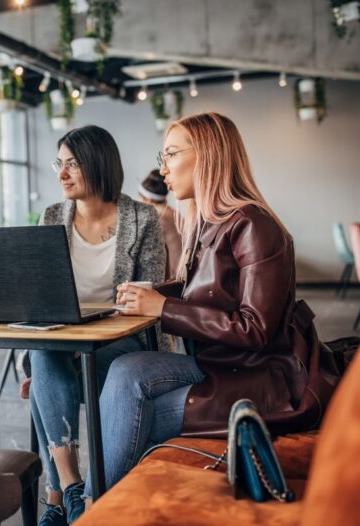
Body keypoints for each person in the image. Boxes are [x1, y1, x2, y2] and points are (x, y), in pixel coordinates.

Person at [77, 112, 335, 514]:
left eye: (171, 154)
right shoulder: (210, 225)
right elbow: (208, 291)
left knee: (129, 395)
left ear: (209, 156)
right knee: (114, 366)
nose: (162, 167)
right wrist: (152, 295)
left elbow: (256, 329)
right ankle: (88, 502)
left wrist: (162, 307)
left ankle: (91, 509)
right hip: (220, 365)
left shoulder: (254, 225)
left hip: (261, 376)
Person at [30, 125, 169, 526]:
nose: (62, 173)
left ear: (99, 164)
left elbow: (148, 305)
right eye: (60, 163)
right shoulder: (52, 216)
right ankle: (77, 490)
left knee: (44, 373)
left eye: (72, 163)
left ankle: (55, 500)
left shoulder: (142, 218)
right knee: (42, 355)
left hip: (124, 343)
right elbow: (40, 295)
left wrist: (88, 335)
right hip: (64, 340)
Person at [137, 169, 182, 279]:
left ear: (148, 199)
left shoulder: (155, 219)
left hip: (171, 280)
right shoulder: (177, 215)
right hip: (185, 276)